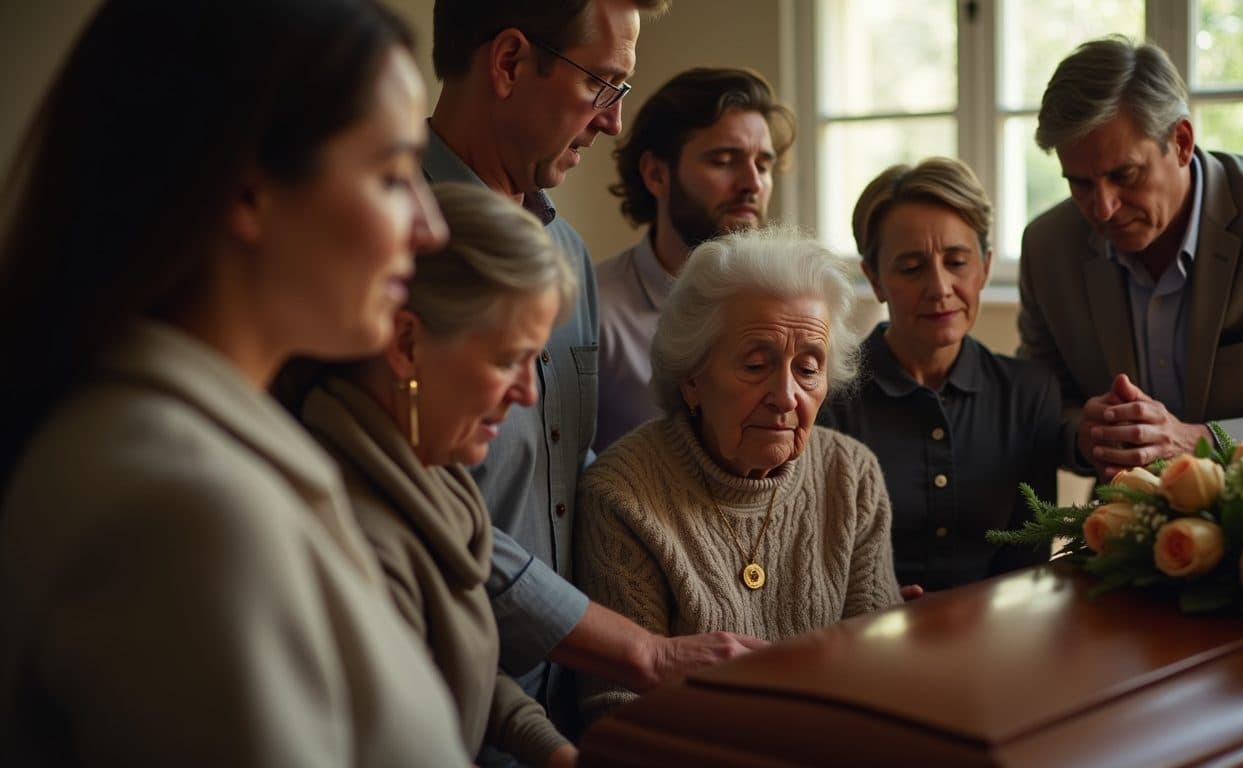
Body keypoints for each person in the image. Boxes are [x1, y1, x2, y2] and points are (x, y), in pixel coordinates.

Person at [0, 1, 467, 764]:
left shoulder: (189, 450)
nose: (430, 226)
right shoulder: (178, 510)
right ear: (247, 192)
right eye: (391, 176)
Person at [423, 0, 762, 743]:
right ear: (510, 63)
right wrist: (641, 649)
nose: (612, 121)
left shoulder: (566, 253)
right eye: (601, 84)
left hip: (563, 701)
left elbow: (574, 470)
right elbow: (428, 521)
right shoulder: (395, 244)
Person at [296, 183, 577, 768]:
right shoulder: (356, 541)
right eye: (507, 360)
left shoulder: (434, 478)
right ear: (406, 343)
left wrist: (552, 750)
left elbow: (458, 662)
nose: (528, 393)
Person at [576, 226, 902, 721]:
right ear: (691, 380)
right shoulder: (622, 494)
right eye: (756, 364)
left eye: (808, 368)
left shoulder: (851, 475)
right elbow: (621, 709)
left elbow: (875, 673)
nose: (786, 395)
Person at [1018, 35, 1243, 479]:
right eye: (1080, 184)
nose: (1102, 208)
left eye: (1123, 175)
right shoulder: (1048, 247)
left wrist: (1198, 440)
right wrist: (1082, 438)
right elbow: (1035, 409)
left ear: (1181, 142)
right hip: (1124, 529)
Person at [820, 158, 1062, 591]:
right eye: (911, 268)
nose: (939, 286)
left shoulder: (1030, 394)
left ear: (985, 267)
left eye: (957, 261)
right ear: (874, 279)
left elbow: (1030, 564)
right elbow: (816, 566)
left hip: (1000, 640)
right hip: (863, 643)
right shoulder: (827, 399)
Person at [595, 67, 796, 450]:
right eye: (724, 160)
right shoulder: (595, 313)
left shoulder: (789, 310)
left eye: (764, 165)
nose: (752, 183)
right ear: (656, 174)